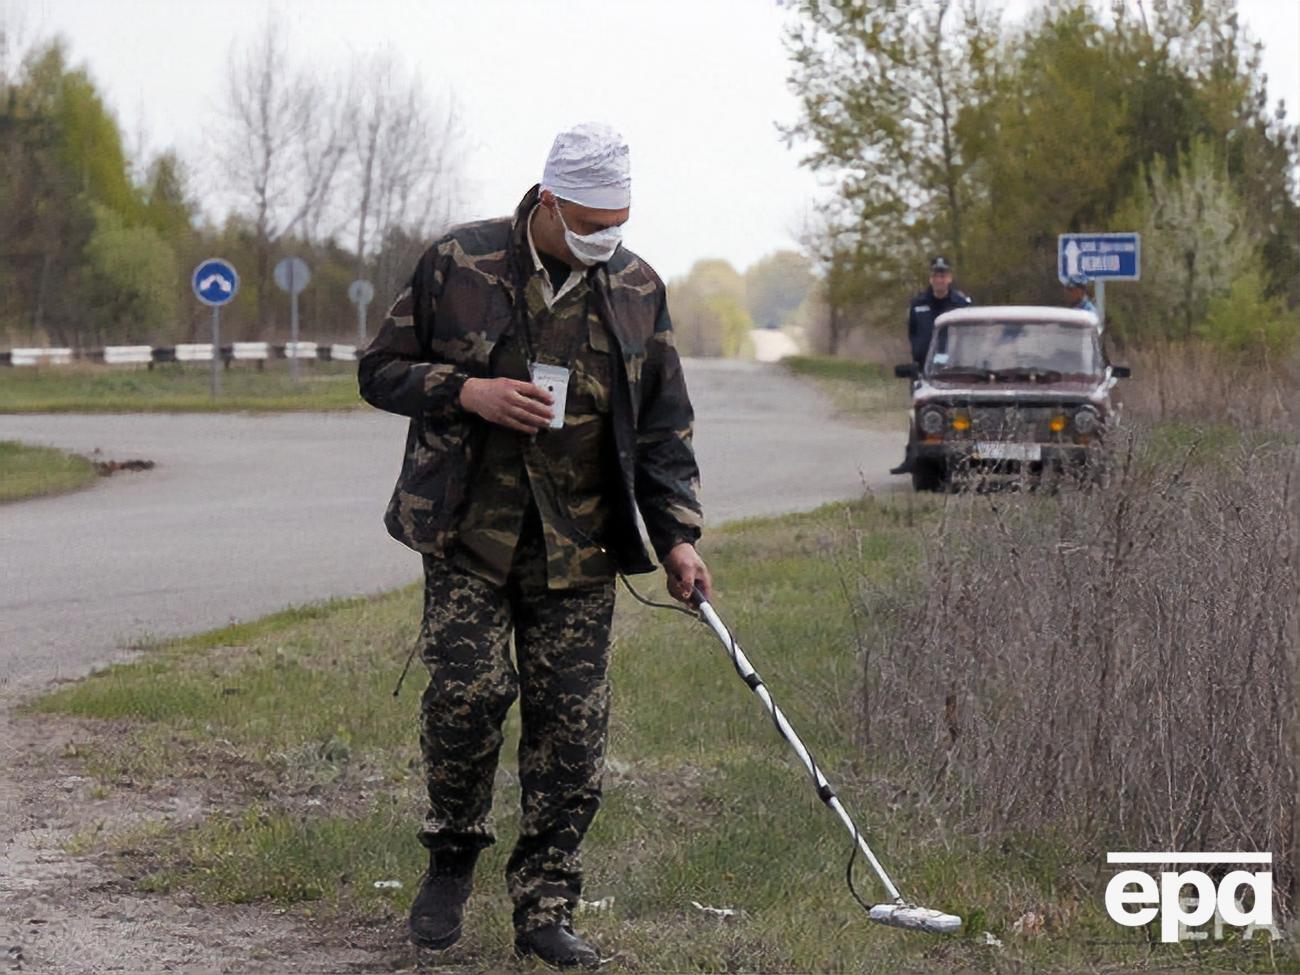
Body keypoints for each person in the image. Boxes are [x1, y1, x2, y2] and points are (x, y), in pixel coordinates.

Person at [358, 122, 711, 968]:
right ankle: (450, 857)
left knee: (571, 729)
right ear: (548, 202)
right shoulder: (460, 262)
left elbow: (664, 426)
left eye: (619, 222)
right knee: (466, 698)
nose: (605, 240)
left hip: (580, 544)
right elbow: (379, 370)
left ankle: (545, 904)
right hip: (467, 531)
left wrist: (679, 537)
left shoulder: (634, 287)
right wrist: (467, 390)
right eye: (591, 223)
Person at [890, 256, 973, 475]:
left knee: (958, 413)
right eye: (936, 275)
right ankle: (913, 458)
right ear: (931, 278)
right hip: (925, 370)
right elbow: (913, 333)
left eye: (943, 275)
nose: (939, 279)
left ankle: (964, 456)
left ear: (950, 278)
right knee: (920, 413)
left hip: (956, 370)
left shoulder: (961, 304)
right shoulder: (919, 304)